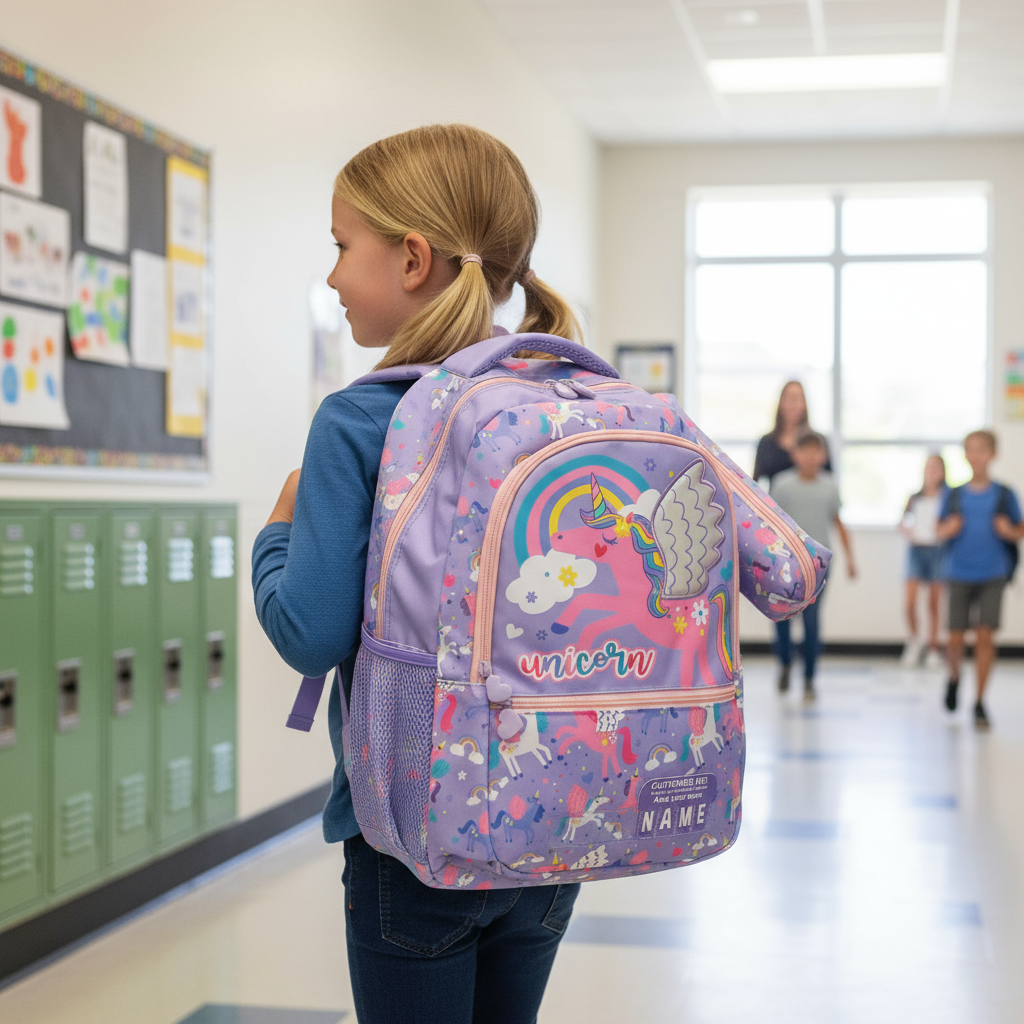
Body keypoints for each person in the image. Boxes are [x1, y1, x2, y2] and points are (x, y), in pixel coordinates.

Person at [252, 125, 583, 1024]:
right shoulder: (560, 401)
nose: (330, 276)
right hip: (552, 820)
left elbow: (310, 631)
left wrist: (277, 528)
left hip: (413, 842)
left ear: (409, 258)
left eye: (339, 246)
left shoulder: (362, 419)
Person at [935, 429, 1023, 729]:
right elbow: (937, 529)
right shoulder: (954, 494)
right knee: (956, 638)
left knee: (985, 637)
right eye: (970, 450)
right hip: (958, 572)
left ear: (993, 454)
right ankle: (954, 677)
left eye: (982, 449)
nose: (976, 456)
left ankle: (980, 700)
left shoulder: (1004, 494)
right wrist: (949, 528)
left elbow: (1018, 528)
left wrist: (1009, 532)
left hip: (993, 573)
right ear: (965, 455)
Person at [769, 431, 856, 698]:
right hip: (785, 563)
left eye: (814, 452)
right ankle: (785, 663)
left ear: (822, 456)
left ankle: (809, 677)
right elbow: (771, 522)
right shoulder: (782, 485)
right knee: (781, 617)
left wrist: (851, 558)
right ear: (794, 454)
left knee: (812, 620)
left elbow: (838, 522)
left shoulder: (829, 486)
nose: (808, 457)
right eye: (803, 451)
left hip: (819, 566)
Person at [898, 453, 948, 669]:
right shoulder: (914, 497)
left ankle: (933, 649)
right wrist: (906, 530)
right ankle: (914, 641)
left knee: (934, 605)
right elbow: (902, 521)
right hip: (916, 551)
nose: (933, 472)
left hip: (938, 551)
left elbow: (953, 523)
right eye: (929, 467)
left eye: (937, 468)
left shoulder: (948, 497)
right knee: (910, 602)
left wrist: (943, 530)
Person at [753, 380, 832, 487]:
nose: (793, 404)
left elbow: (829, 479)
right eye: (789, 398)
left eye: (798, 398)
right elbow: (756, 481)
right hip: (776, 501)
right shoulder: (767, 442)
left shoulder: (818, 441)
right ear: (781, 402)